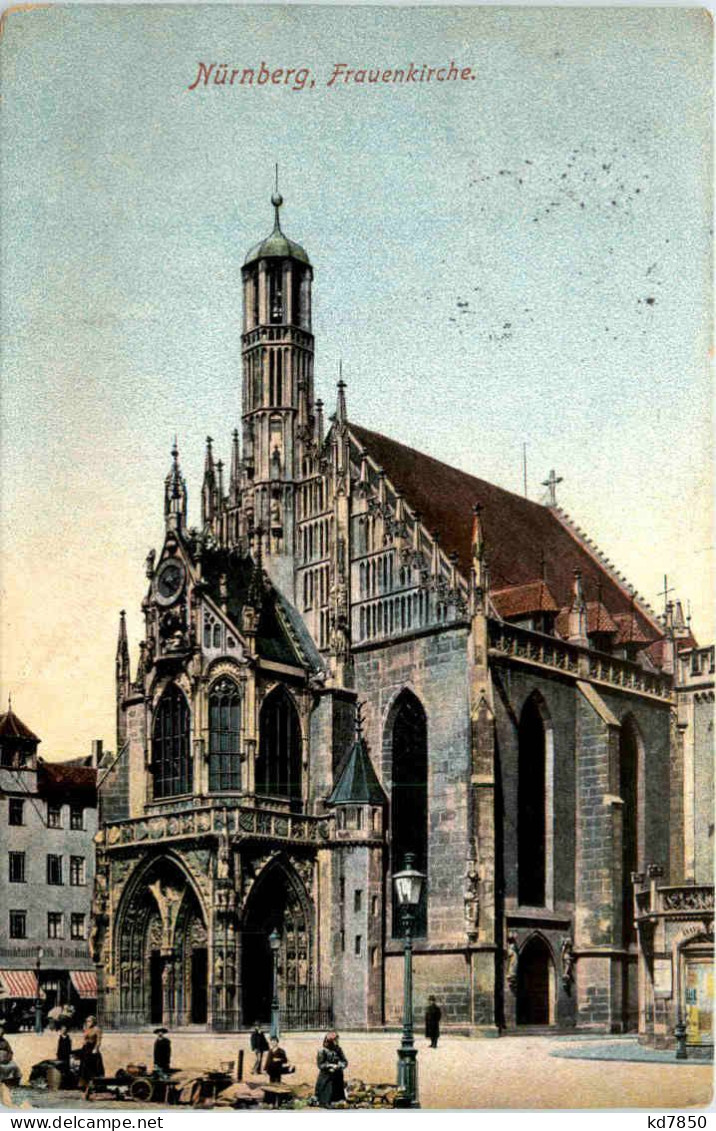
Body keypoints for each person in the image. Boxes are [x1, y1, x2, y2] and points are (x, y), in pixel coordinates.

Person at [314, 1032, 347, 1107]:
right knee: (326, 1095)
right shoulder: (322, 1051)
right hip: (326, 1077)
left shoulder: (338, 1049)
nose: (337, 1041)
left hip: (337, 1076)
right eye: (335, 1040)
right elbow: (320, 1065)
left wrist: (339, 1065)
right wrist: (330, 1066)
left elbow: (345, 1061)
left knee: (338, 1098)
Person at [78, 1016, 104, 1089]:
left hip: (93, 1048)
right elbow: (85, 1039)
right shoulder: (86, 1029)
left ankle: (95, 1084)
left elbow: (99, 1041)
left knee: (94, 1067)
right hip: (86, 1049)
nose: (88, 1023)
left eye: (89, 1021)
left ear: (93, 1021)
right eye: (87, 1021)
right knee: (84, 1066)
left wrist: (96, 1049)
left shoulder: (97, 1029)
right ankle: (84, 1084)